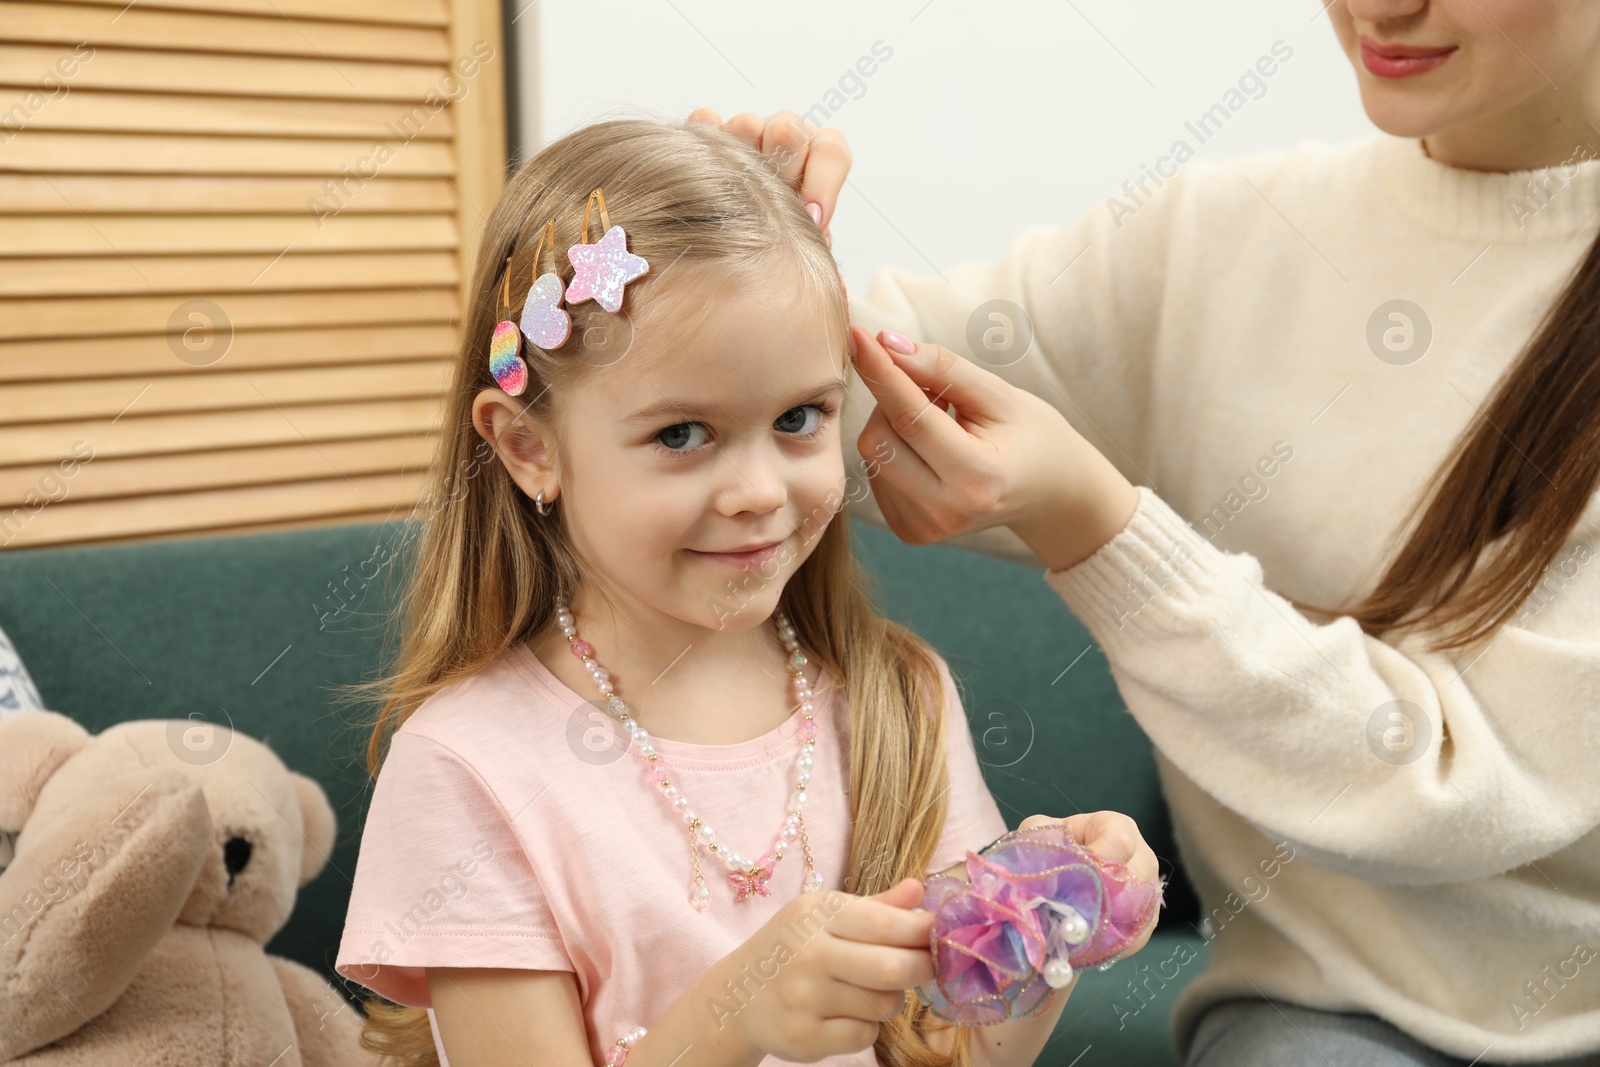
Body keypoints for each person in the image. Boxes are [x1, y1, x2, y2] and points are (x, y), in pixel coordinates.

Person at [689, 0, 1600, 1064]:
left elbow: (1450, 788)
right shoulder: (1219, 236)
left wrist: (1096, 526)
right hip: (1335, 1023)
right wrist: (718, 259)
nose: (1383, 7)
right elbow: (822, 408)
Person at [332, 118, 1161, 1067]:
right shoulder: (468, 768)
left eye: (800, 418)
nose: (761, 492)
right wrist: (733, 1017)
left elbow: (959, 1052)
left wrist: (1054, 919)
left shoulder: (899, 694)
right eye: (682, 434)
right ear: (529, 447)